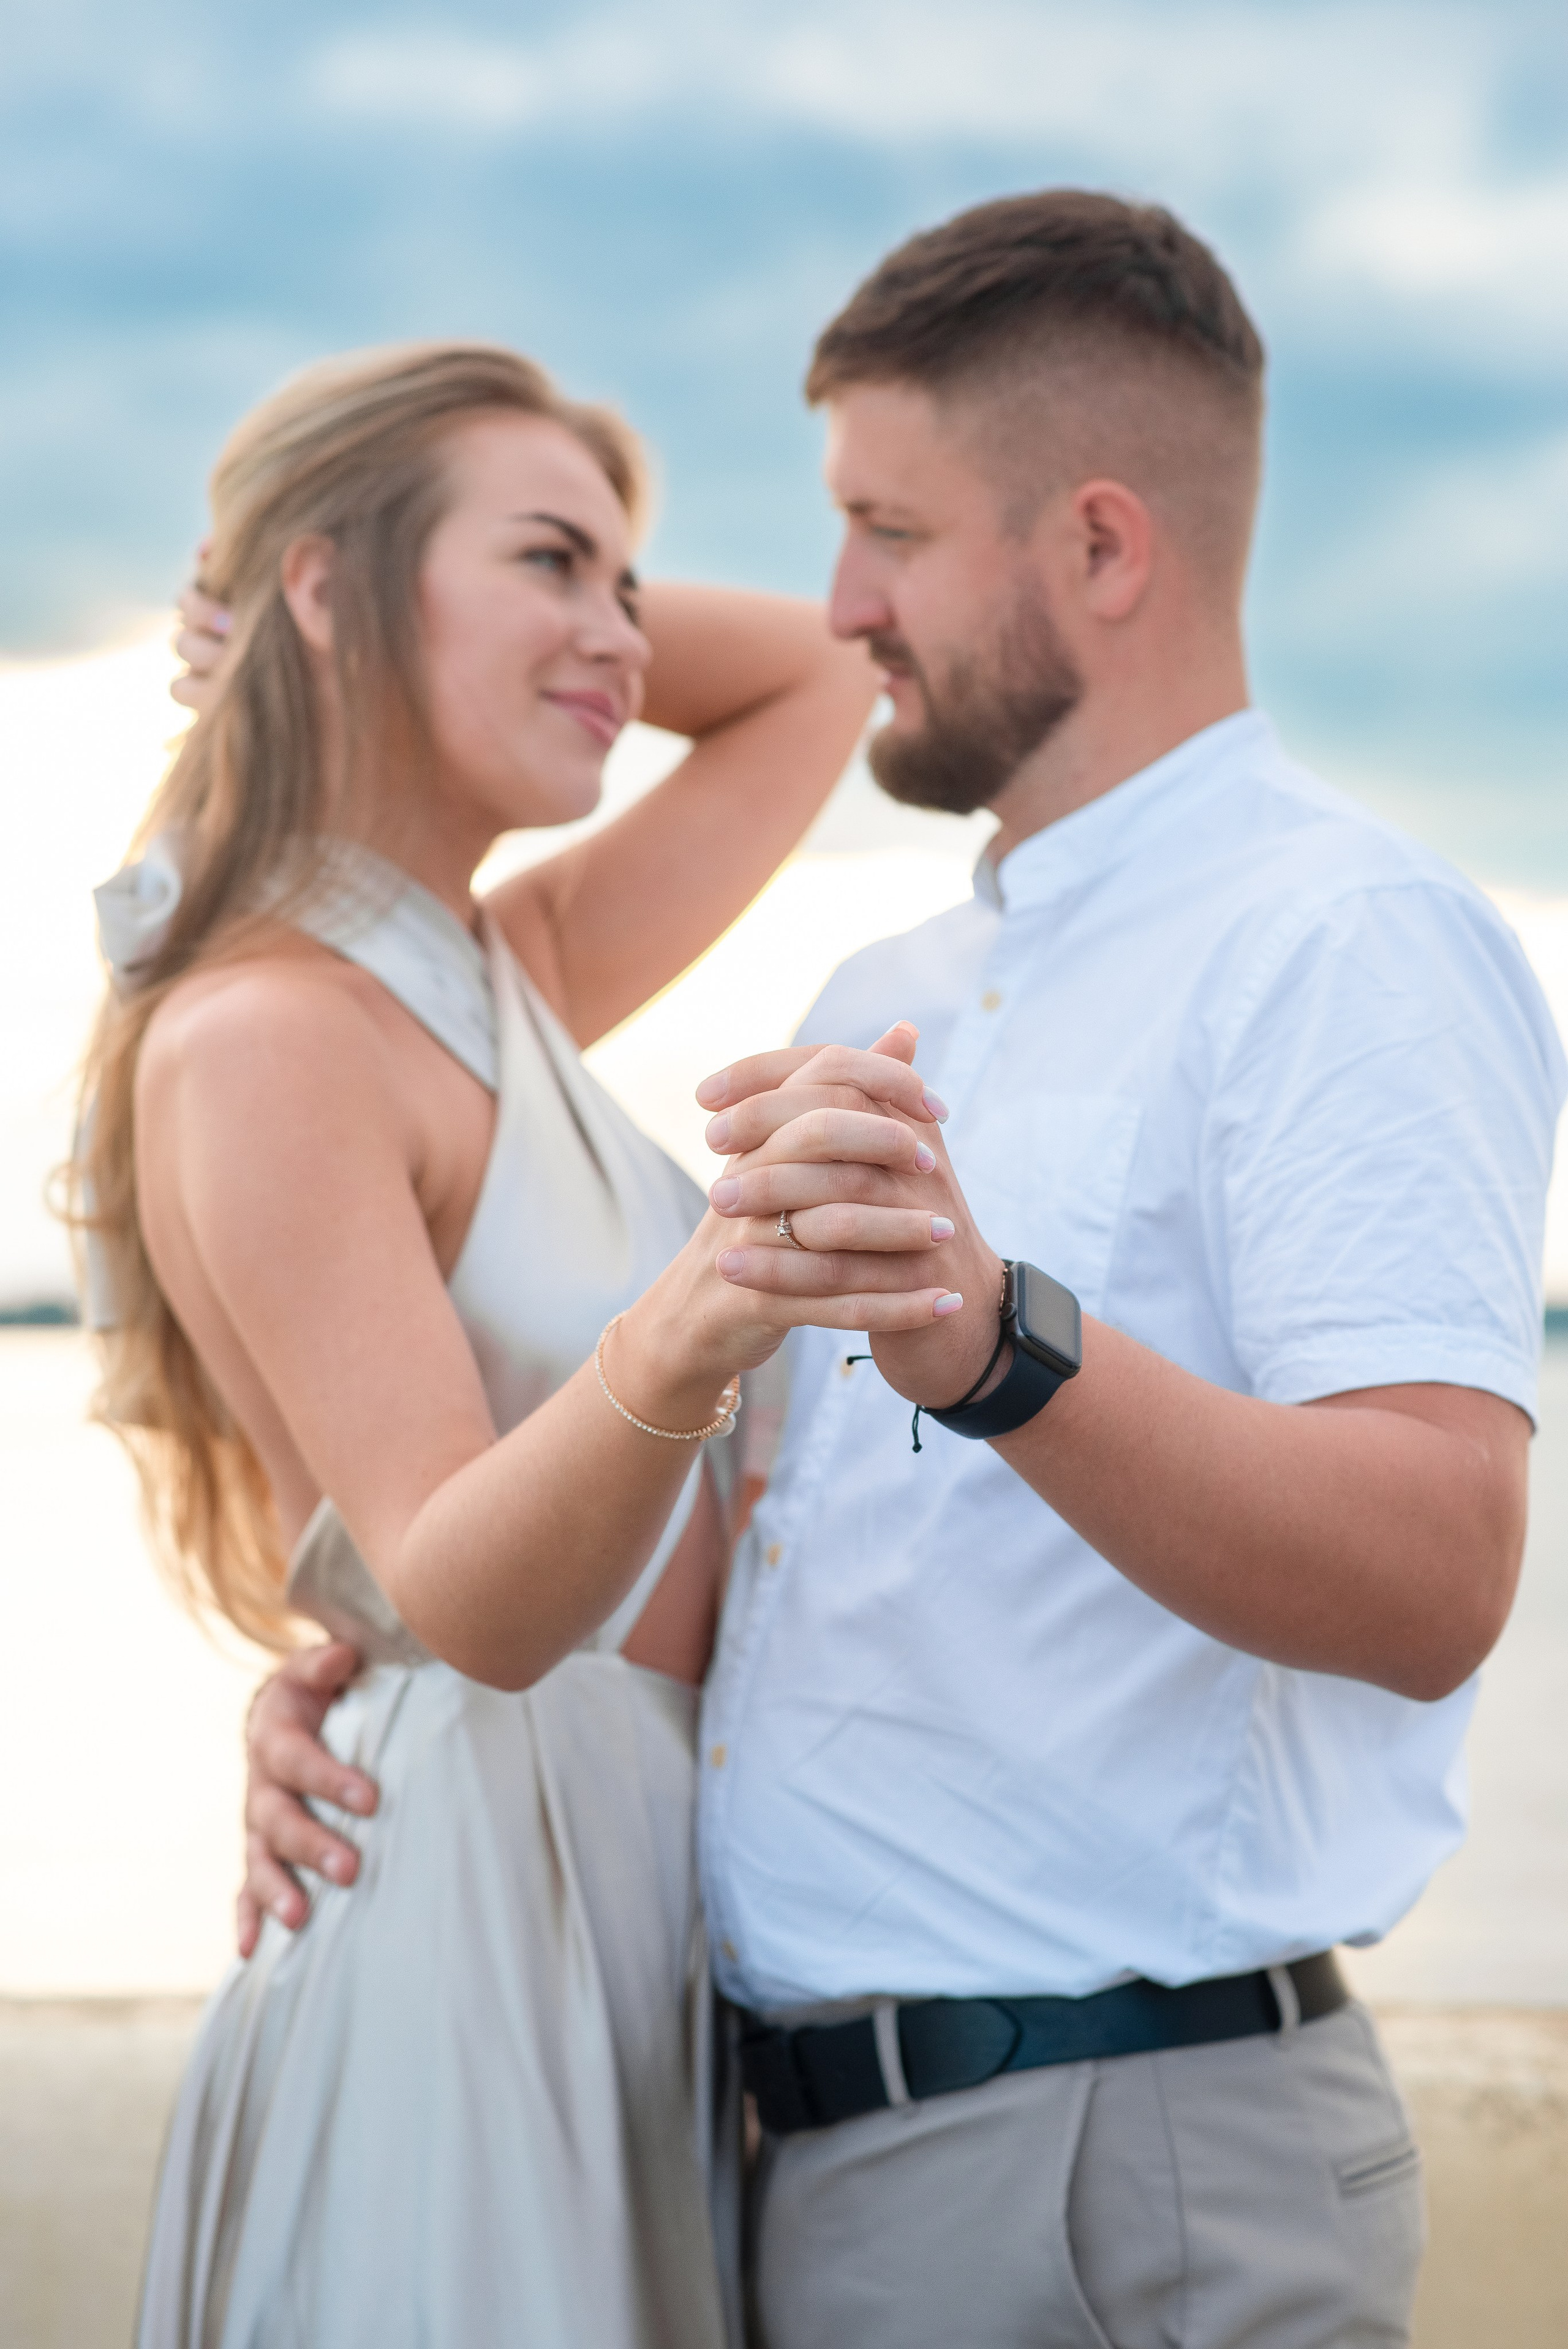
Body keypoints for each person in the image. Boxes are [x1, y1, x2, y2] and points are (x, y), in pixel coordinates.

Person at [242, 198, 1566, 2347]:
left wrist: (996, 1340)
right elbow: (760, 1544)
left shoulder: (1342, 936)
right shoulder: (889, 980)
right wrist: (372, 1671)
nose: (840, 603)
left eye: (889, 531)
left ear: (1102, 550)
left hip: (1126, 2170)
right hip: (805, 2167)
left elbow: (1436, 1571)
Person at [76, 339, 962, 2348]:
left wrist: (427, 607)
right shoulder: (268, 1030)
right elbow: (464, 1589)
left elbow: (810, 678)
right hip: (470, 1907)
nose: (618, 639)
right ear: (325, 587)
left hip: (645, 1893)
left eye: (632, 583)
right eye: (552, 563)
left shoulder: (510, 970)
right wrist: (718, 1292)